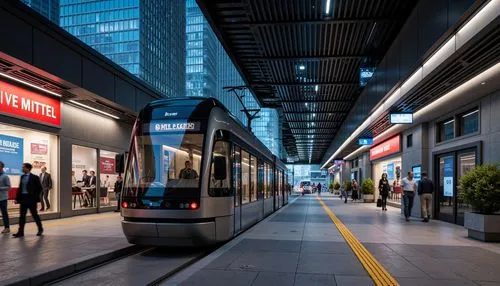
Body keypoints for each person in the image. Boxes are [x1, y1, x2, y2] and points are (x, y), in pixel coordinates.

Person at [13, 163, 43, 237]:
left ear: (28, 168)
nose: (22, 169)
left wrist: (34, 197)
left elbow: (40, 188)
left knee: (34, 215)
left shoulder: (34, 177)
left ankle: (40, 229)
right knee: (22, 216)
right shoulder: (22, 177)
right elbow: (20, 189)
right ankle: (20, 232)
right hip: (23, 199)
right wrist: (17, 198)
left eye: (23, 167)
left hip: (31, 200)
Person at [0, 161, 11, 234]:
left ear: (1, 167)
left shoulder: (5, 176)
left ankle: (7, 228)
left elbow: (9, 187)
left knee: (4, 213)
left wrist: (0, 188)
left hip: (2, 198)